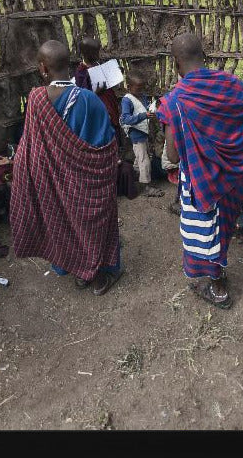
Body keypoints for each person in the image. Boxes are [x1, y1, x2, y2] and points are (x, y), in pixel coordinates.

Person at [156, 32, 243, 309]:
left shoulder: (175, 101)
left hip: (202, 180)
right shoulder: (232, 85)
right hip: (234, 178)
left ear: (175, 63)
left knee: (206, 234)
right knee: (223, 228)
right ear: (203, 56)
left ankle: (217, 287)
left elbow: (172, 155)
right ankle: (218, 276)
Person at [10, 39, 123, 296]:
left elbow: (29, 146)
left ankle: (80, 270)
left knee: (63, 222)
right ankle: (98, 276)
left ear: (42, 68)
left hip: (51, 182)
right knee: (93, 224)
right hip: (87, 184)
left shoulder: (36, 100)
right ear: (69, 64)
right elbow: (107, 147)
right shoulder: (89, 101)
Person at [119, 72, 162, 196]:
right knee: (144, 161)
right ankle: (146, 187)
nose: (140, 91)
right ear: (129, 87)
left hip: (143, 132)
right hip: (136, 134)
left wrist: (150, 111)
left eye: (142, 88)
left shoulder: (142, 96)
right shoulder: (127, 100)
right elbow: (126, 119)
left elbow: (143, 109)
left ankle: (135, 177)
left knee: (140, 158)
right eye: (138, 88)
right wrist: (144, 115)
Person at [74, 36, 123, 142]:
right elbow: (82, 95)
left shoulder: (98, 65)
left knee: (113, 131)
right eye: (94, 53)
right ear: (84, 54)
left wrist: (116, 73)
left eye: (97, 52)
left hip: (109, 104)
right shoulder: (81, 72)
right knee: (103, 132)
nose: (97, 55)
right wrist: (96, 92)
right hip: (97, 108)